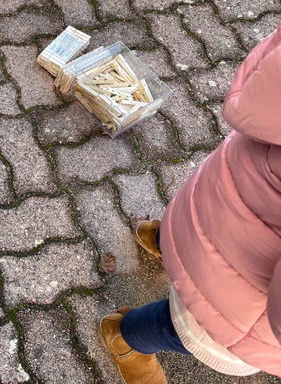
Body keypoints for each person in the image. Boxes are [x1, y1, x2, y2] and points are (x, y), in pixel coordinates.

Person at [98, 26, 281, 383]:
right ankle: (125, 337)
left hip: (212, 200)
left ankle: (159, 239)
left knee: (185, 233)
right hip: (237, 290)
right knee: (183, 326)